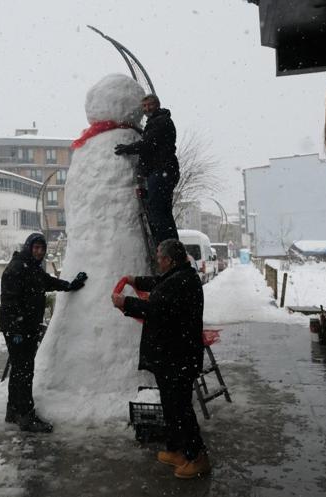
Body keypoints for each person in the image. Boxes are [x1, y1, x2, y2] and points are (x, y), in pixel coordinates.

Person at [111, 239, 210, 479]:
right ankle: (177, 450)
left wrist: (125, 303)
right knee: (171, 405)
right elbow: (158, 284)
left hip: (178, 356)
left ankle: (197, 457)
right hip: (171, 356)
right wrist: (135, 280)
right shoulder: (179, 275)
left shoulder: (181, 282)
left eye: (159, 257)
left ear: (169, 259)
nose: (157, 260)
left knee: (181, 407)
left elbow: (154, 307)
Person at [0, 232, 88, 433]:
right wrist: (17, 329)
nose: (39, 251)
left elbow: (49, 282)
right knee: (24, 372)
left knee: (19, 372)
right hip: (18, 330)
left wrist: (71, 285)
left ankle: (13, 412)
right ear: (28, 247)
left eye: (42, 248)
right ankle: (26, 416)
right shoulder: (17, 268)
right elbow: (9, 301)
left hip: (25, 328)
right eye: (36, 247)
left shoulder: (31, 267)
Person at [114, 94, 179, 245]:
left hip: (162, 171)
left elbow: (149, 144)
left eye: (150, 105)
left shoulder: (161, 121)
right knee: (163, 211)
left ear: (157, 104)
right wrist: (136, 128)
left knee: (157, 212)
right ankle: (170, 245)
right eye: (144, 106)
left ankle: (164, 247)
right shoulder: (157, 121)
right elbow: (150, 139)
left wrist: (127, 148)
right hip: (164, 171)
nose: (146, 108)